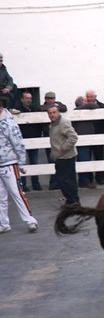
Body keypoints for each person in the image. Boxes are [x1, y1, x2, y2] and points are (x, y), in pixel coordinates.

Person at [0, 96, 39, 234]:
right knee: (1, 196)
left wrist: (21, 161)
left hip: (9, 163)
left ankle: (30, 220)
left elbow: (18, 142)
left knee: (17, 193)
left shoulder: (9, 123)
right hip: (3, 163)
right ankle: (3, 223)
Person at [47, 105, 80, 205]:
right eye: (50, 113)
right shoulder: (53, 124)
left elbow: (73, 137)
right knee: (69, 180)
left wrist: (63, 148)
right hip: (61, 156)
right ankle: (73, 200)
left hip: (65, 156)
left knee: (63, 180)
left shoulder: (63, 123)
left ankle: (73, 200)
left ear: (58, 112)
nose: (52, 115)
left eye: (54, 112)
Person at [39, 91, 67, 190]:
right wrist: (52, 106)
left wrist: (54, 105)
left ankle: (58, 182)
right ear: (45, 99)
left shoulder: (57, 105)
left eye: (53, 98)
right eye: (49, 98)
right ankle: (53, 183)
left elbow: (64, 107)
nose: (51, 100)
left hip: (58, 136)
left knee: (58, 160)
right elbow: (40, 108)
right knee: (51, 159)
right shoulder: (42, 107)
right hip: (48, 135)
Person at [15, 92, 43, 191]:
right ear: (22, 99)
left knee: (34, 162)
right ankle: (23, 185)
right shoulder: (17, 110)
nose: (29, 100)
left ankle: (36, 184)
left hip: (34, 139)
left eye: (30, 98)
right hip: (22, 141)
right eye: (26, 98)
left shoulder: (35, 109)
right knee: (23, 163)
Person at [73, 96, 97, 189]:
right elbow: (93, 105)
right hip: (82, 140)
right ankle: (84, 181)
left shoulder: (82, 111)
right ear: (82, 103)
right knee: (84, 160)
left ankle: (86, 181)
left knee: (85, 159)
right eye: (86, 102)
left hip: (88, 140)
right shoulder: (77, 111)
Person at [85, 90, 104, 184]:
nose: (89, 99)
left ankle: (100, 178)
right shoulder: (82, 107)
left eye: (91, 97)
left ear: (95, 96)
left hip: (99, 136)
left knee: (99, 157)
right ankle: (89, 179)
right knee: (87, 157)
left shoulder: (102, 106)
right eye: (88, 97)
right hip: (87, 137)